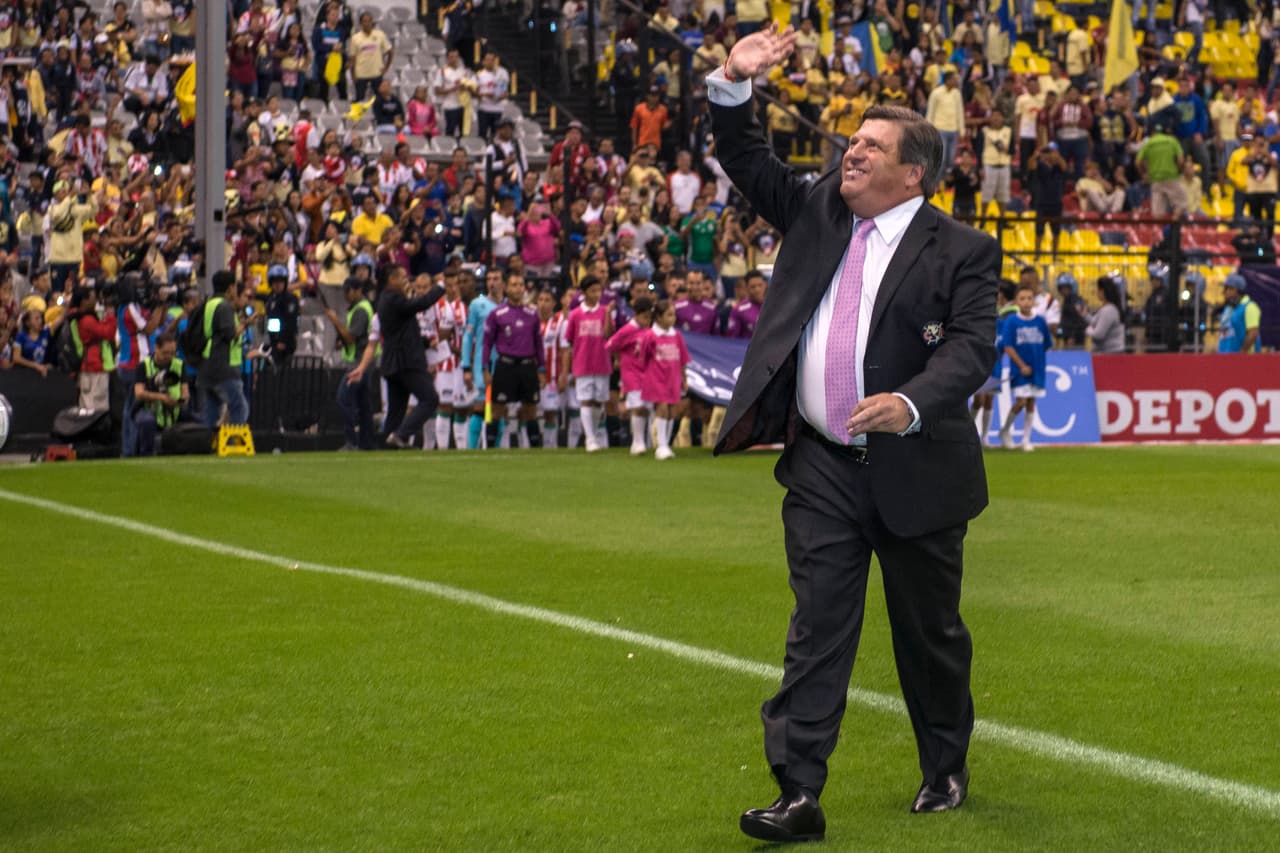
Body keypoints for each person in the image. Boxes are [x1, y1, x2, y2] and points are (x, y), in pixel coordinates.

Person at [707, 26, 1000, 843]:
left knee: (929, 634)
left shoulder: (966, 251)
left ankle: (944, 763)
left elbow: (973, 349)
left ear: (915, 171)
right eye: (852, 141)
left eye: (872, 145)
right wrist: (735, 78)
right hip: (823, 465)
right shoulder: (817, 208)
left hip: (919, 469)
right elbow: (743, 154)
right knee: (818, 625)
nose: (852, 152)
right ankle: (798, 790)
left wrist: (909, 403)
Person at [377, 265, 445, 448]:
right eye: (402, 277)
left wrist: (423, 342)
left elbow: (401, 330)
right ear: (392, 279)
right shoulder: (393, 299)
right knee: (430, 398)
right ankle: (401, 435)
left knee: (396, 410)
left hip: (393, 362)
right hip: (406, 361)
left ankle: (386, 446)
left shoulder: (386, 299)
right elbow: (418, 305)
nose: (406, 280)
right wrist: (440, 287)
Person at [482, 271, 545, 449]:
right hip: (505, 365)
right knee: (497, 409)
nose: (518, 288)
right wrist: (485, 368)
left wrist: (541, 368)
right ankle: (490, 448)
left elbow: (538, 344)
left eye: (520, 284)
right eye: (514, 284)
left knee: (530, 409)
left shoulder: (532, 313)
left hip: (527, 366)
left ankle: (535, 449)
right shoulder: (497, 313)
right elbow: (487, 343)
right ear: (506, 287)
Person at [561, 275, 614, 452]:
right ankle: (590, 438)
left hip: (602, 362)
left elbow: (608, 335)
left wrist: (607, 315)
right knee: (585, 400)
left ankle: (595, 431)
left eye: (599, 290)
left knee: (599, 401)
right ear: (584, 293)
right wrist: (567, 369)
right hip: (582, 363)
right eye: (592, 291)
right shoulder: (575, 314)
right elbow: (568, 341)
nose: (596, 294)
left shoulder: (604, 311)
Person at [998, 282, 1052, 452]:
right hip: (1019, 370)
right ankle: (1005, 430)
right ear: (1016, 302)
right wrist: (1021, 365)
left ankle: (1026, 439)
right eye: (1022, 299)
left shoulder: (1040, 322)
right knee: (1021, 401)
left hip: (1037, 369)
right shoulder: (1012, 321)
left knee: (1031, 402)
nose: (1026, 302)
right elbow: (1007, 346)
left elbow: (1047, 344)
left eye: (1029, 298)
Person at [197, 272, 252, 430]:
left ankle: (209, 445)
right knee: (240, 407)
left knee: (212, 411)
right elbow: (230, 334)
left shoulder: (209, 304)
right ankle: (233, 444)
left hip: (208, 364)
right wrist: (246, 324)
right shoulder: (224, 306)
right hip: (223, 366)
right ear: (230, 288)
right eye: (235, 286)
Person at [327, 279, 376, 450]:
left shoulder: (361, 310)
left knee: (344, 398)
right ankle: (366, 442)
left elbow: (351, 337)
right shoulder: (359, 308)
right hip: (363, 361)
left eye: (348, 291)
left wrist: (335, 321)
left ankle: (351, 440)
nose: (345, 296)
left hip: (359, 362)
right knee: (364, 404)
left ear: (357, 290)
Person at [639, 298, 690, 460]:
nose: (672, 319)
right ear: (659, 317)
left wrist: (684, 379)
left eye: (673, 315)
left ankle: (666, 444)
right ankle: (660, 445)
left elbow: (682, 359)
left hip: (673, 378)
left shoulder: (677, 336)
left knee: (671, 411)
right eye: (669, 315)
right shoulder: (650, 335)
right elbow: (643, 357)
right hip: (656, 377)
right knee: (661, 408)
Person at [606, 295, 655, 455]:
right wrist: (619, 358)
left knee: (648, 408)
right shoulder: (628, 330)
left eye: (649, 317)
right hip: (632, 374)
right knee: (637, 407)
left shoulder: (649, 330)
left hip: (647, 374)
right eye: (644, 317)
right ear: (636, 314)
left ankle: (648, 441)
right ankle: (637, 442)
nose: (647, 320)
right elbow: (610, 345)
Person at [971, 279, 1017, 441]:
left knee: (989, 399)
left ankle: (984, 437)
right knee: (979, 398)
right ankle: (970, 432)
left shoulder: (1005, 318)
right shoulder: (985, 316)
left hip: (994, 362)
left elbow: (1005, 340)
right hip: (981, 361)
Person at [132, 332, 191, 457]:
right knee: (146, 421)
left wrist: (182, 400)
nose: (169, 356)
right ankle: (146, 455)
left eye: (173, 353)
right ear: (156, 348)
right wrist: (161, 397)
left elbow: (185, 391)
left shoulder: (179, 365)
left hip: (175, 409)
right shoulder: (144, 366)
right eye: (165, 353)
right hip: (147, 408)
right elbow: (139, 393)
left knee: (199, 423)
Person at [1217, 273, 1261, 353]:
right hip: (1225, 358)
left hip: (1245, 360)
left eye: (1229, 289)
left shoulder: (1250, 307)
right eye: (1225, 288)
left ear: (1238, 290)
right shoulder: (1228, 308)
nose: (1225, 292)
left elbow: (1253, 333)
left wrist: (1242, 353)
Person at [1086, 276, 1127, 354]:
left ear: (1103, 291)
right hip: (1108, 353)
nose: (1097, 292)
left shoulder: (1109, 310)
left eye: (1098, 290)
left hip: (1111, 355)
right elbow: (1094, 321)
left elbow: (1098, 334)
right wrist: (1084, 315)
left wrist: (1088, 330)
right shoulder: (1106, 308)